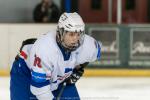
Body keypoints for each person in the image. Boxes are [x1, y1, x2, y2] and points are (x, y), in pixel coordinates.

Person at [10, 12, 101, 100]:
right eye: (71, 34)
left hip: (59, 78)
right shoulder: (45, 49)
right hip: (25, 74)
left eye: (78, 34)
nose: (75, 39)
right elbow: (39, 89)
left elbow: (94, 53)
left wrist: (79, 68)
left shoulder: (87, 45)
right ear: (61, 33)